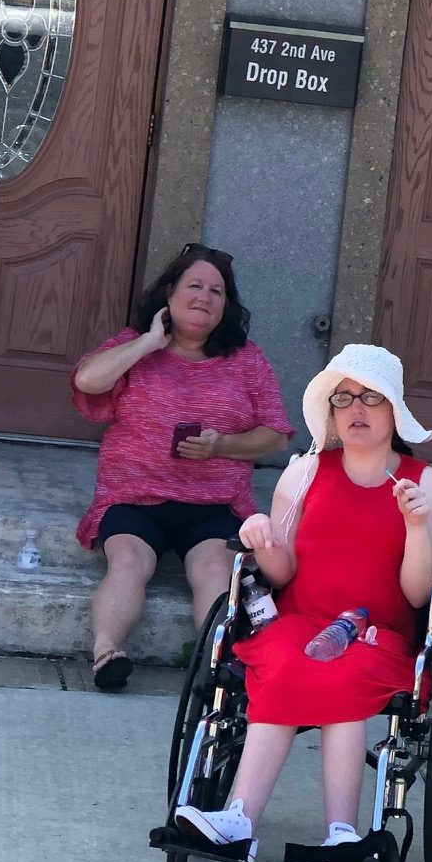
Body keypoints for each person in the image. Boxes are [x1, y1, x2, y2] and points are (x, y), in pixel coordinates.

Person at [174, 342, 432, 862]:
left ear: (393, 409)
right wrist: (261, 541)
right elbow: (279, 575)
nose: (355, 409)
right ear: (330, 412)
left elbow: (419, 595)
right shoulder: (304, 474)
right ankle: (238, 820)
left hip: (377, 634)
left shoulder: (426, 486)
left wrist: (416, 529)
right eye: (343, 398)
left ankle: (341, 833)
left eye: (370, 397)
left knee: (340, 673)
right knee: (282, 665)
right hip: (297, 622)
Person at [71, 243, 292, 689]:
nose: (204, 297)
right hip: (135, 497)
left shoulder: (246, 359)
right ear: (170, 294)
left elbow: (277, 433)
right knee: (129, 562)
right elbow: (88, 380)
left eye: (216, 291)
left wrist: (222, 445)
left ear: (226, 306)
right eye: (195, 285)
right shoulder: (133, 347)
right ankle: (106, 653)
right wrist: (150, 342)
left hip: (212, 505)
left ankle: (213, 667)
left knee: (213, 571)